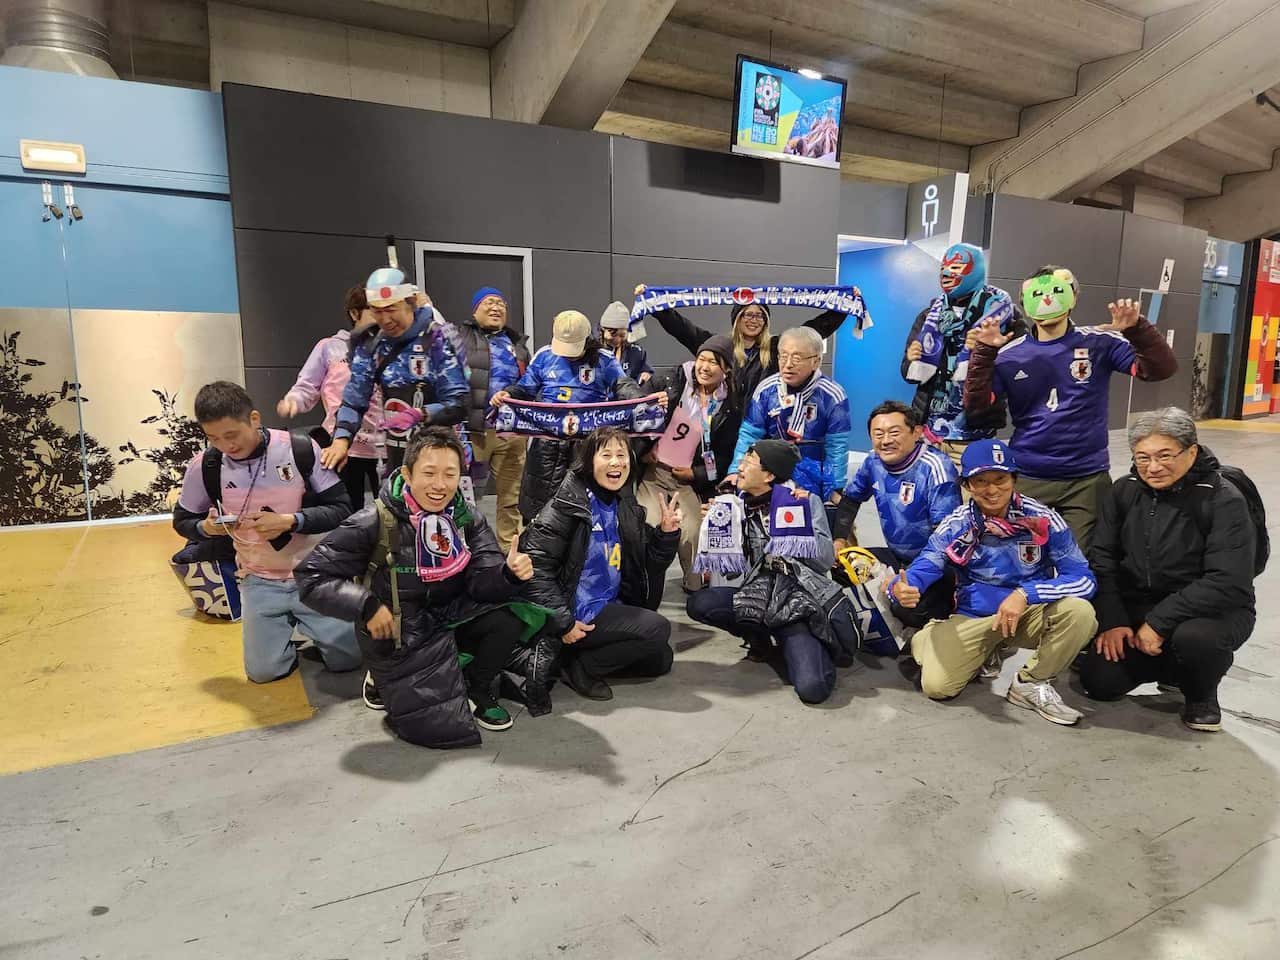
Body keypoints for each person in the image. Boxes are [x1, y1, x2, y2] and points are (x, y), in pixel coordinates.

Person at [296, 428, 538, 744]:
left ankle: (478, 688)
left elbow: (482, 584)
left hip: (450, 610)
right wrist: (366, 605)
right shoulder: (375, 520)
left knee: (508, 619)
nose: (440, 485)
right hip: (398, 625)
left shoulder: (466, 519)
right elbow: (312, 576)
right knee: (436, 724)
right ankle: (379, 674)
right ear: (408, 474)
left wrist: (507, 573)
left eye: (450, 474)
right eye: (429, 473)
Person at [964, 265, 1177, 551]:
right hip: (1029, 476)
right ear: (1025, 304)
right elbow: (976, 409)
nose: (1047, 299)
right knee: (1023, 558)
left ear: (1073, 297)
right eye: (1037, 294)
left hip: (1086, 481)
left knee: (1083, 561)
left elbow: (1160, 369)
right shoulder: (1008, 354)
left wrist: (1138, 329)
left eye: (1057, 292)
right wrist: (984, 353)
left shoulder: (1100, 342)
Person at [890, 439, 1097, 726]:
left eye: (1000, 479)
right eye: (980, 481)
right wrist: (904, 587)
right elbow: (929, 561)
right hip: (976, 617)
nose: (991, 489)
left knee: (1080, 613)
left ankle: (1030, 683)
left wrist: (1026, 593)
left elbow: (1084, 580)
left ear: (1014, 479)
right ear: (968, 486)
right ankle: (932, 636)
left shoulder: (1043, 519)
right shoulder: (958, 523)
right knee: (938, 687)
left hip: (1026, 613)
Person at [1079, 408, 1257, 732]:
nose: (1154, 467)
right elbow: (1102, 559)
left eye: (1165, 455)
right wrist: (1114, 620)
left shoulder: (1223, 499)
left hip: (1210, 611)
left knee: (1197, 641)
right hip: (1141, 604)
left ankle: (1201, 694)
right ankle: (1170, 668)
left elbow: (1227, 581)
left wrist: (1158, 623)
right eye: (1142, 457)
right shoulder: (1124, 491)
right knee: (1100, 682)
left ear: (1191, 451)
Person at [173, 381, 360, 683]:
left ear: (254, 419)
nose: (225, 446)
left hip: (314, 575)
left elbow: (341, 509)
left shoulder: (298, 449)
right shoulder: (206, 465)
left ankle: (313, 628)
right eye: (213, 438)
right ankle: (283, 636)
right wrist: (204, 528)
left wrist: (292, 521)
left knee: (348, 661)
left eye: (232, 435)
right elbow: (182, 520)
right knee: (263, 673)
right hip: (259, 582)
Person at [687, 440, 855, 704]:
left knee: (813, 689)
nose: (739, 468)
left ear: (769, 474)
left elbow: (824, 561)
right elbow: (733, 572)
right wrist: (719, 525)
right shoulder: (736, 505)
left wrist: (799, 525)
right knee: (701, 603)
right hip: (759, 596)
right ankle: (760, 638)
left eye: (748, 462)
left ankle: (814, 643)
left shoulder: (804, 502)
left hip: (797, 604)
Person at [520, 428, 680, 702]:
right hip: (575, 610)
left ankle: (578, 656)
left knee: (661, 658)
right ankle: (578, 666)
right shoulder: (566, 505)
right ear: (589, 461)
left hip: (608, 604)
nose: (616, 462)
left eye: (622, 455)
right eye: (606, 455)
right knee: (656, 629)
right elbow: (536, 570)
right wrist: (563, 623)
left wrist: (666, 534)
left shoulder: (625, 504)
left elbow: (649, 564)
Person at [491, 310, 664, 521]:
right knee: (541, 511)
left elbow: (624, 386)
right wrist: (507, 395)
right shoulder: (545, 356)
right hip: (547, 445)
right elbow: (525, 387)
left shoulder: (604, 359)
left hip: (588, 446)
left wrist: (644, 402)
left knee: (588, 511)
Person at [323, 267, 469, 475]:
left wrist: (420, 413)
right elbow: (354, 399)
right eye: (377, 310)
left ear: (409, 303)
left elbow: (459, 403)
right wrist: (341, 439)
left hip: (439, 457)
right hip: (397, 455)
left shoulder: (440, 338)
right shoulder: (371, 343)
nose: (385, 319)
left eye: (391, 309)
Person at [832, 400, 962, 628]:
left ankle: (937, 620)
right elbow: (851, 500)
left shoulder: (936, 468)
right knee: (843, 567)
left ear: (917, 432)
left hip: (936, 564)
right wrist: (840, 540)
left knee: (905, 604)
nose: (886, 440)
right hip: (897, 556)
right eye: (878, 433)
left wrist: (908, 579)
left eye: (894, 432)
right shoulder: (873, 461)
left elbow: (945, 540)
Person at [636, 282, 852, 409]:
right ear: (737, 318)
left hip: (762, 423)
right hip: (721, 422)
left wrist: (843, 306)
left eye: (760, 315)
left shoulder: (776, 348)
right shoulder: (719, 347)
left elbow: (814, 330)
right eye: (747, 314)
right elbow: (682, 328)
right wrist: (655, 304)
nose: (753, 319)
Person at [635, 334, 741, 592]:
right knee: (647, 523)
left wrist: (696, 474)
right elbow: (634, 417)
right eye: (701, 359)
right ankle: (643, 587)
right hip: (653, 473)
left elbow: (725, 454)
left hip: (687, 481)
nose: (704, 367)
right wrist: (641, 453)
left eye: (713, 362)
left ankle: (694, 586)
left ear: (726, 369)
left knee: (693, 530)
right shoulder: (671, 381)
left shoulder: (730, 404)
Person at [900, 242, 1021, 467]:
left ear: (975, 270)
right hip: (928, 432)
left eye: (956, 267)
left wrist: (987, 350)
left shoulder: (1003, 313)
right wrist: (911, 358)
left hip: (974, 433)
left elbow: (1017, 369)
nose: (946, 273)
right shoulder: (930, 315)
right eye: (944, 267)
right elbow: (908, 374)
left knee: (972, 497)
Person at [276, 285, 385, 509]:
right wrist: (293, 401)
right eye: (374, 310)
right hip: (341, 447)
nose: (382, 317)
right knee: (347, 516)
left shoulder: (392, 349)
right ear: (355, 313)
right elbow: (307, 386)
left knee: (388, 518)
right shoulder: (331, 347)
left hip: (384, 448)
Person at [728, 326, 851, 509]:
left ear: (816, 361)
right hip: (770, 475)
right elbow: (749, 436)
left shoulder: (833, 395)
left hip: (814, 476)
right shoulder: (766, 389)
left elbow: (837, 447)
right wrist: (735, 472)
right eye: (783, 356)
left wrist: (835, 488)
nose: (788, 364)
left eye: (797, 357)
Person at [450, 286, 531, 553]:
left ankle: (510, 549)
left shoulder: (518, 345)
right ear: (475, 310)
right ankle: (464, 548)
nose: (496, 307)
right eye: (489, 302)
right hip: (474, 431)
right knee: (465, 495)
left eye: (501, 303)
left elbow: (529, 384)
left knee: (511, 497)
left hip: (512, 432)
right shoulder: (460, 338)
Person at [599, 301, 653, 385]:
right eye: (613, 335)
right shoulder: (592, 350)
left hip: (628, 395)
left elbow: (646, 370)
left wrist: (645, 374)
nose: (617, 340)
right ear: (602, 330)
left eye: (622, 335)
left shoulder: (636, 351)